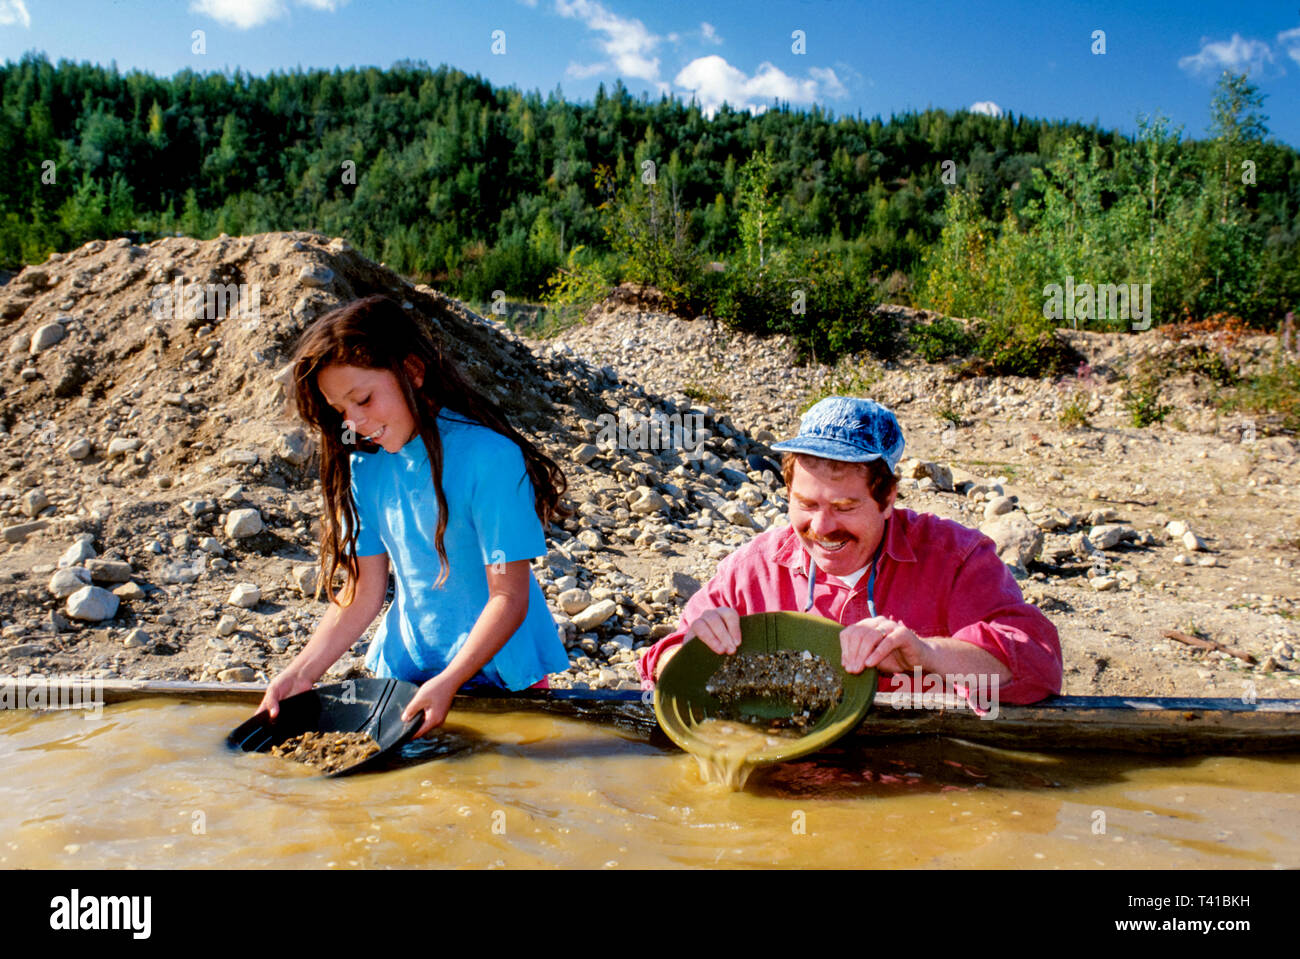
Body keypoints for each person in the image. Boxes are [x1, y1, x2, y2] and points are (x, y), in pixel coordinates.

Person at [257, 295, 571, 736]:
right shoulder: (364, 466)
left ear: (412, 372)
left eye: (363, 399)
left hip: (504, 676)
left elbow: (508, 597)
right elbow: (363, 592)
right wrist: (301, 672)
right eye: (341, 410)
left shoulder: (491, 458)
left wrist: (450, 682)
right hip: (407, 675)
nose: (355, 422)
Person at [638, 396, 1062, 706]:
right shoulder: (752, 569)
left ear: (888, 498)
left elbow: (1036, 664)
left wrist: (928, 656)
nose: (822, 528)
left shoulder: (957, 558)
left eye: (844, 507)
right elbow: (659, 664)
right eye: (806, 505)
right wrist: (691, 651)